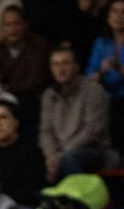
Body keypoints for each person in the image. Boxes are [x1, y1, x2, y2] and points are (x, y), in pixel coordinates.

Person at [40, 46, 118, 181]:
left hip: (93, 150)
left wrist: (62, 155)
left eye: (65, 63)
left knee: (71, 159)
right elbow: (46, 131)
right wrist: (51, 155)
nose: (60, 69)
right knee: (31, 155)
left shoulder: (93, 90)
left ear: (76, 66)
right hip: (61, 152)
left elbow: (92, 131)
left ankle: (75, 201)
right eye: (55, 64)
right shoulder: (48, 95)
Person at [0, 100, 46, 205]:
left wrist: (2, 203)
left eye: (3, 117)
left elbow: (33, 188)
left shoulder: (31, 151)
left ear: (16, 121)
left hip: (19, 206)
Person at [87, 0, 124, 153]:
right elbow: (89, 79)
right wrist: (102, 71)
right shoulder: (100, 43)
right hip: (106, 101)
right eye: (114, 11)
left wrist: (119, 69)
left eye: (123, 12)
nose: (118, 16)